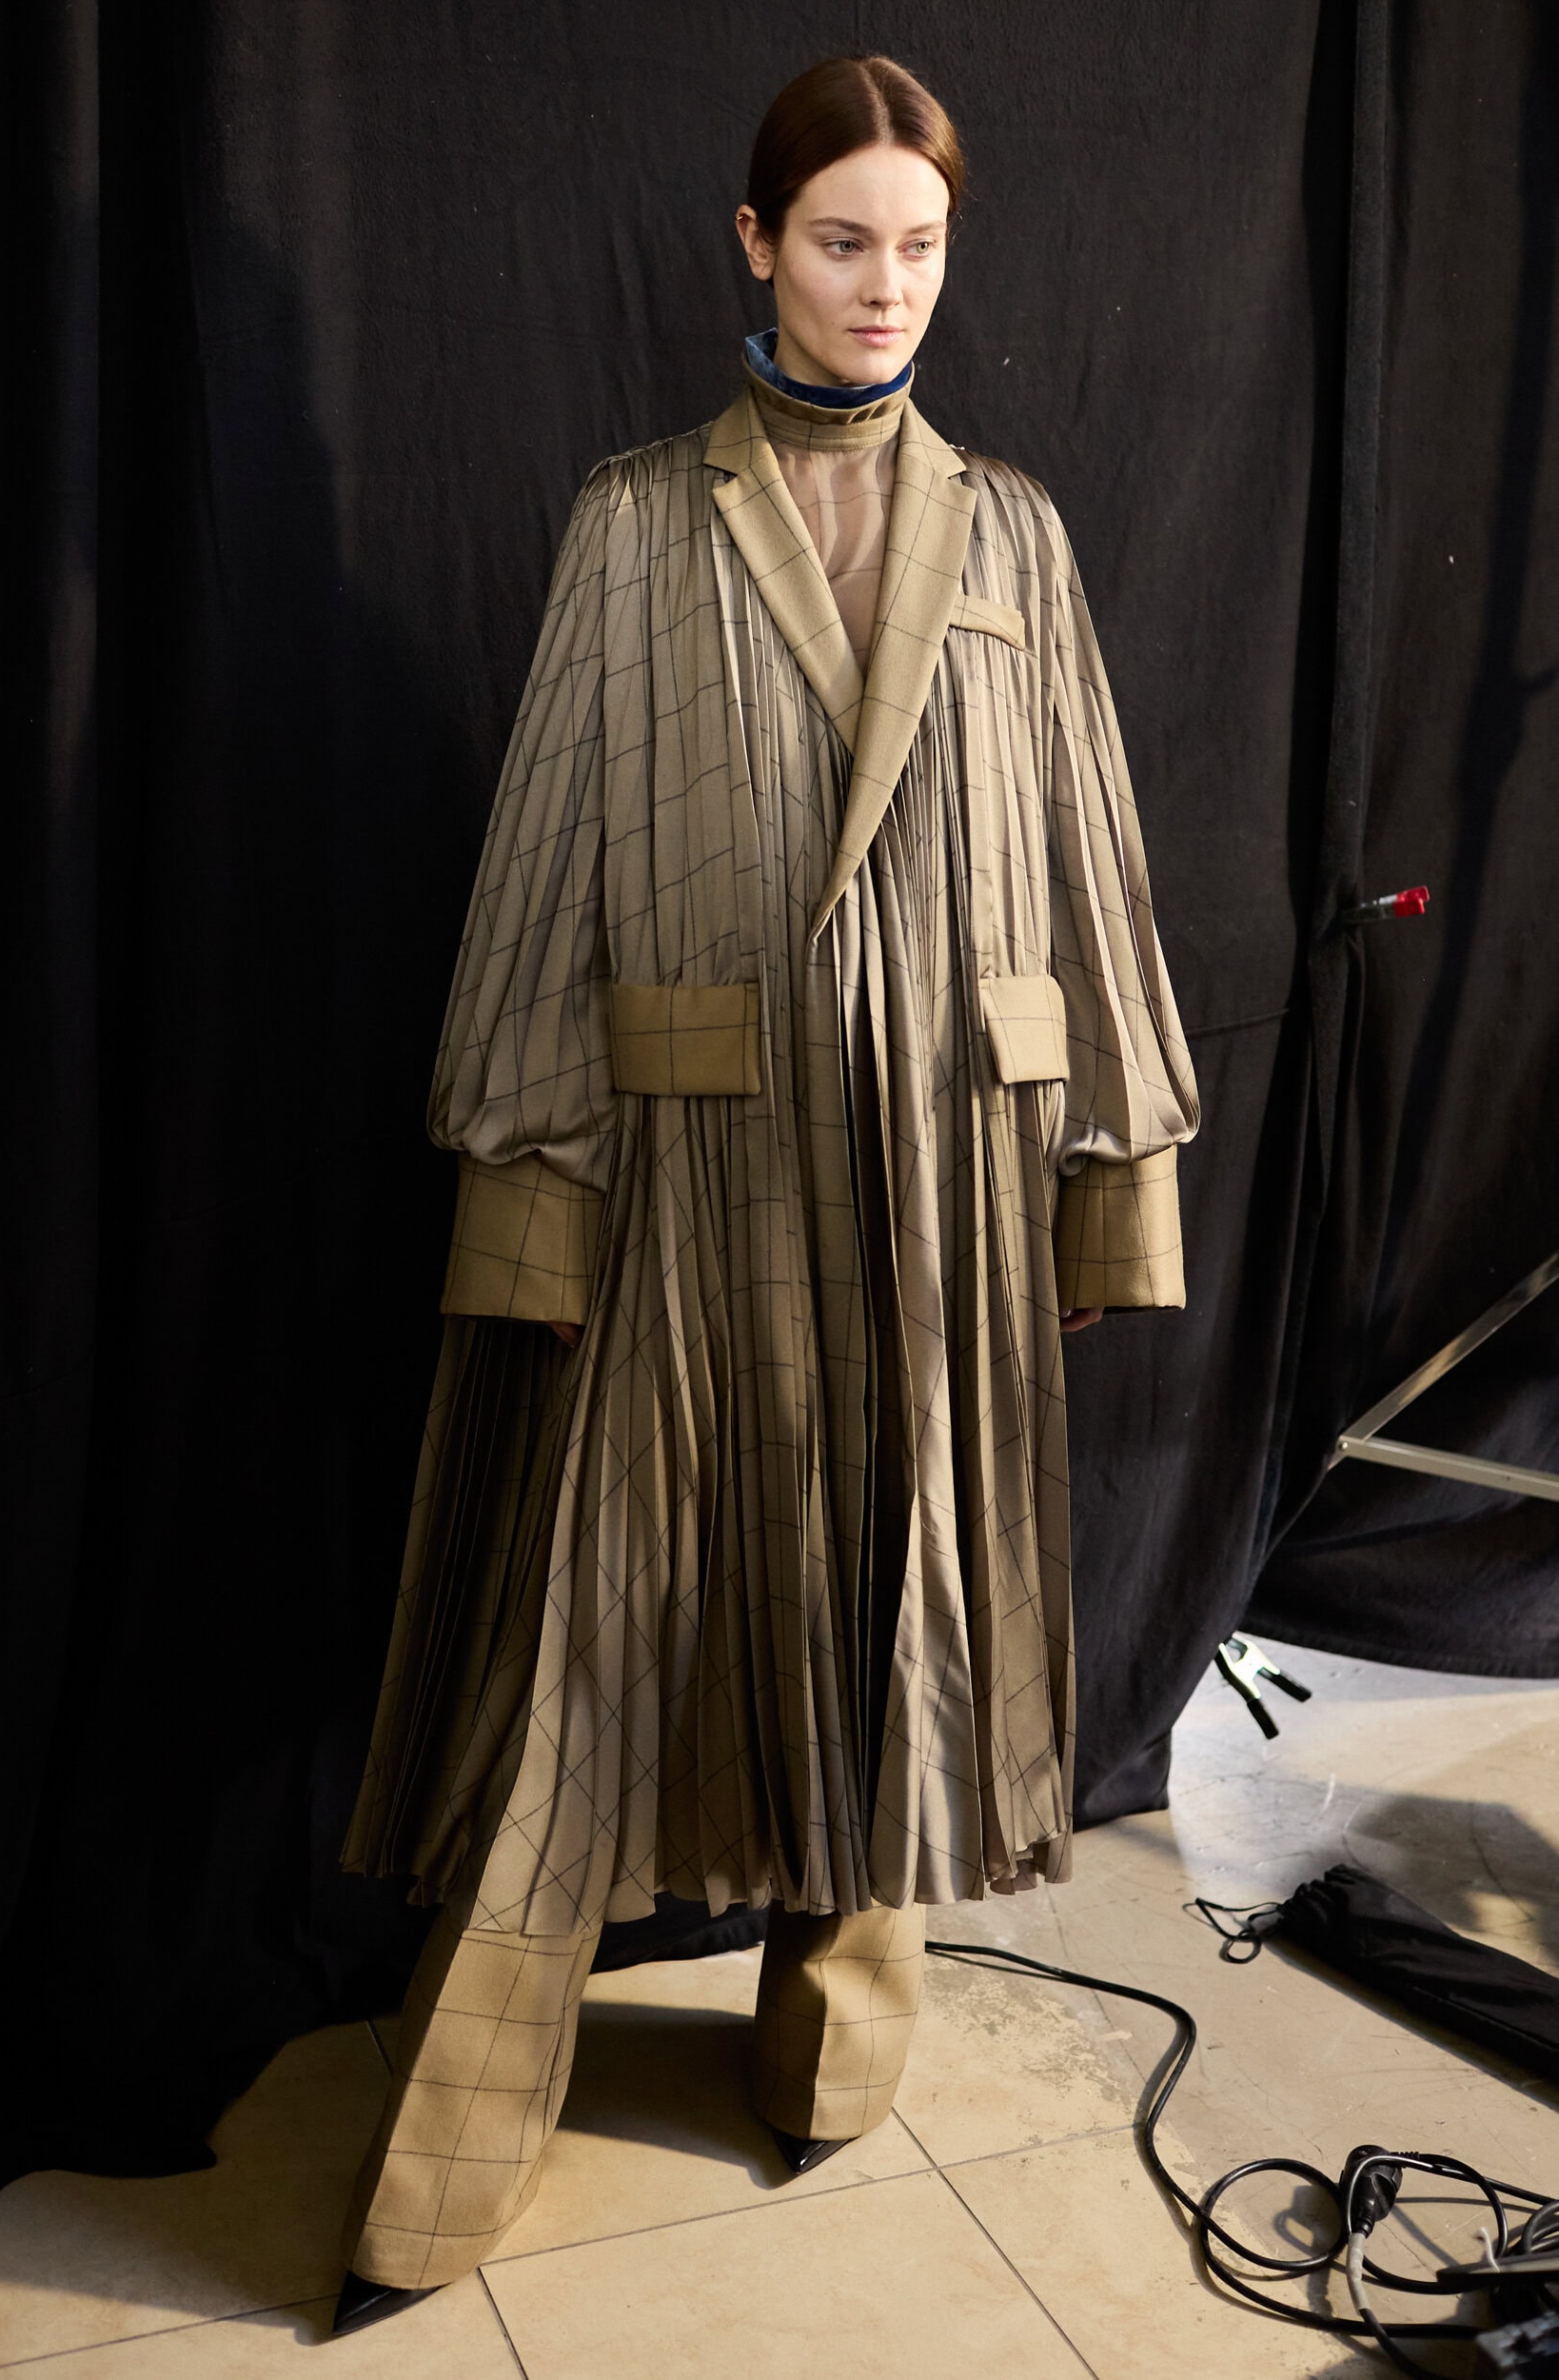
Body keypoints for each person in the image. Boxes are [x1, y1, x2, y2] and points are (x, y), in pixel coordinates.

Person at [331, 52, 1199, 2336]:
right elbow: (546, 861)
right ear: (755, 243)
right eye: (840, 241)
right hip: (693, 1161)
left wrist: (1108, 1186)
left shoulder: (1015, 536)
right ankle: (449, 2151)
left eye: (919, 246)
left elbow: (1089, 851)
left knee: (896, 1594)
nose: (883, 287)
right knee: (591, 1642)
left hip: (947, 1164)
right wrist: (532, 1190)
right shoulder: (637, 520)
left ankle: (836, 2043)